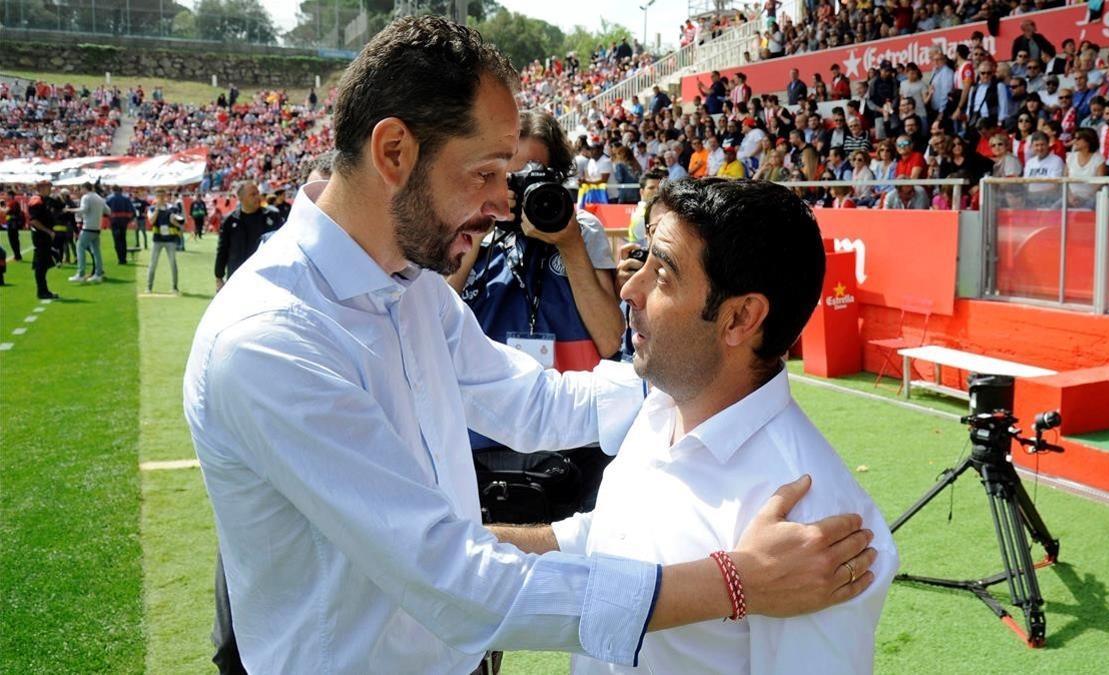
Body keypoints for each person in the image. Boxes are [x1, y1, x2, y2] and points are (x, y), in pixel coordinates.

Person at [185, 16, 876, 675]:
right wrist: (736, 580)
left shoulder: (411, 284)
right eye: (485, 172)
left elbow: (530, 400)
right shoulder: (271, 340)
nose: (500, 204)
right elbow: (457, 584)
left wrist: (690, 376)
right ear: (394, 151)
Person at [493, 178, 898, 675]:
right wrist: (473, 546)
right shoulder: (663, 407)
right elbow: (609, 538)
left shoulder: (814, 520)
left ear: (740, 318)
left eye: (662, 274)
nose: (629, 288)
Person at [213, 181, 283, 291]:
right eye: (252, 194)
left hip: (266, 280)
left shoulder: (272, 217)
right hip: (236, 279)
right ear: (241, 198)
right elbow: (223, 249)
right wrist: (219, 277)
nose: (258, 197)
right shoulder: (230, 221)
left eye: (257, 193)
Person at [67, 182, 109, 283]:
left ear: (84, 188)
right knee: (96, 251)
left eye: (81, 189)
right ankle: (98, 274)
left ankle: (80, 273)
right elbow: (108, 211)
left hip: (88, 227)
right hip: (97, 227)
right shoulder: (99, 198)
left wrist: (70, 210)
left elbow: (83, 210)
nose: (80, 191)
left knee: (80, 246)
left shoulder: (86, 197)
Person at [146, 187, 184, 294]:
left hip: (170, 239)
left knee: (173, 263)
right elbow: (151, 221)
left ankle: (175, 287)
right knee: (153, 263)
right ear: (156, 197)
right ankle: (149, 287)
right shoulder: (152, 208)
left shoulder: (173, 208)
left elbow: (181, 223)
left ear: (166, 196)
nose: (161, 198)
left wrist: (174, 221)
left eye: (163, 195)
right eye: (159, 196)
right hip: (157, 239)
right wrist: (157, 209)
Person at [26, 180, 60, 300]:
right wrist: (48, 231)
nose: (50, 189)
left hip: (45, 236)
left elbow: (60, 206)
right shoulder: (37, 201)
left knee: (44, 264)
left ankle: (43, 290)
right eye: (47, 187)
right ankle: (42, 291)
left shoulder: (45, 200)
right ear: (41, 188)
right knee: (41, 264)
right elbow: (34, 220)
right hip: (41, 236)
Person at [105, 185, 134, 265]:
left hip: (114, 222)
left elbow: (105, 211)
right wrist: (128, 220)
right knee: (123, 240)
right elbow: (132, 212)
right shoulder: (126, 199)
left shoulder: (109, 199)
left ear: (112, 190)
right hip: (124, 222)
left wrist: (109, 218)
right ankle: (124, 259)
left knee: (117, 241)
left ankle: (120, 259)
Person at [2, 190, 23, 261]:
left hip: (12, 224)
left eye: (7, 195)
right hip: (14, 223)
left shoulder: (12, 202)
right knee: (15, 240)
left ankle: (17, 256)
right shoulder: (14, 202)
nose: (6, 196)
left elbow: (5, 212)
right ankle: (17, 255)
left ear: (10, 195)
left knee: (13, 240)